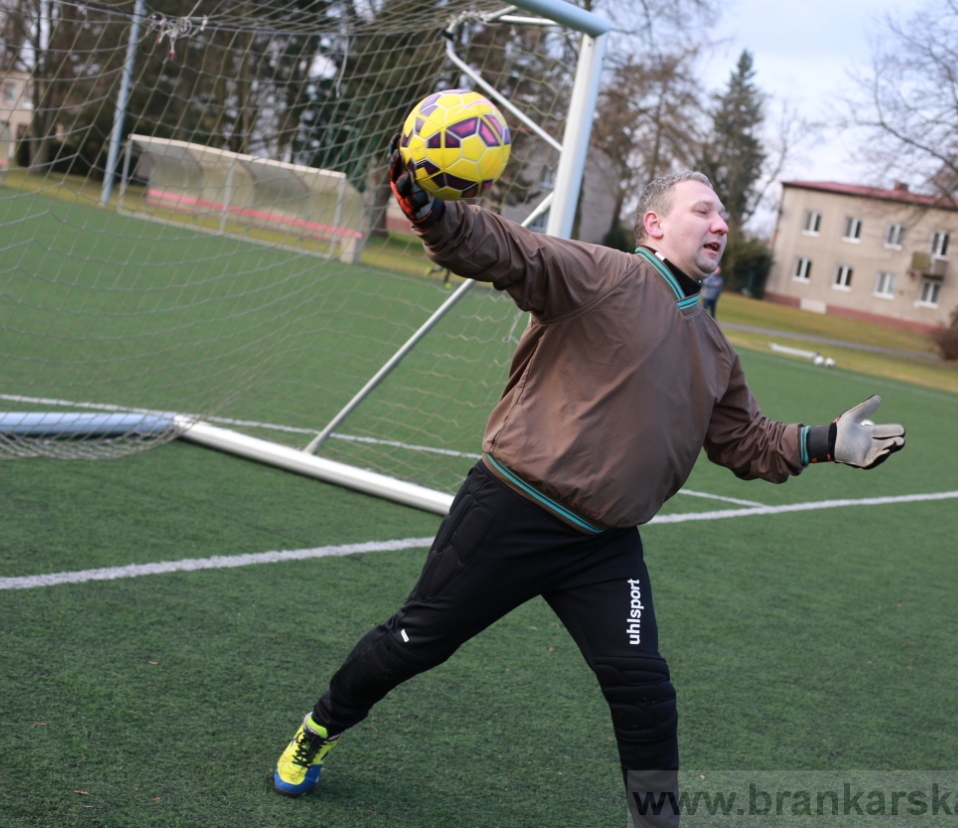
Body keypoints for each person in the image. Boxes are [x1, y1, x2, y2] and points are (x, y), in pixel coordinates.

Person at [271, 150, 906, 826]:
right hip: (513, 510)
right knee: (414, 642)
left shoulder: (717, 351)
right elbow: (515, 253)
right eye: (703, 210)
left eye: (725, 214)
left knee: (644, 688)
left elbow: (745, 441)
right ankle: (321, 726)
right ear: (654, 224)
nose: (720, 223)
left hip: (604, 547)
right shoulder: (608, 275)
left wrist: (826, 442)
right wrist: (433, 214)